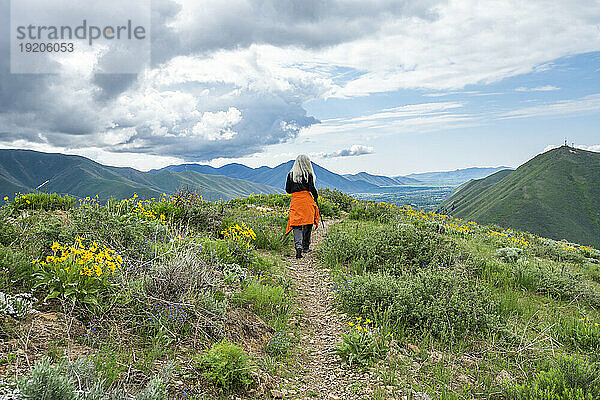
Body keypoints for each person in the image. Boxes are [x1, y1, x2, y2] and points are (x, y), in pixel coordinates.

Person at [285, 154, 319, 259]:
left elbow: (288, 190)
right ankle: (305, 246)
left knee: (296, 224)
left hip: (296, 201)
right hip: (307, 200)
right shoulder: (308, 174)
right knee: (308, 223)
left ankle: (298, 246)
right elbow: (312, 188)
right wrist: (316, 197)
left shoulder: (291, 175)